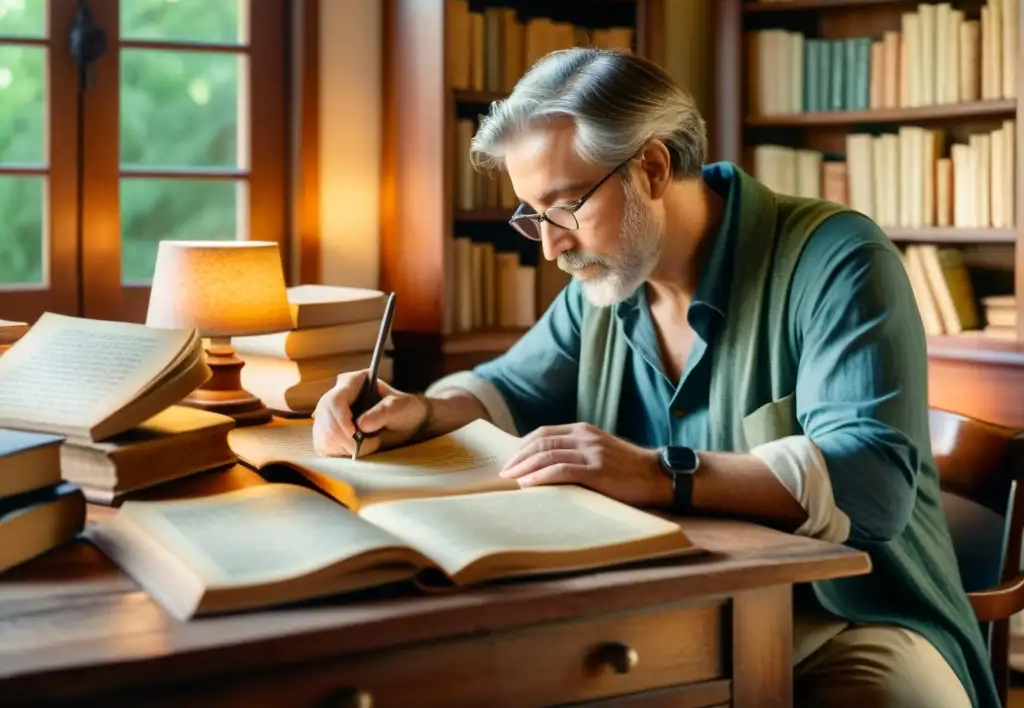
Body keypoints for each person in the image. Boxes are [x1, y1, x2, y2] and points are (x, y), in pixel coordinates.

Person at [312, 47, 998, 708]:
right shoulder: (606, 284)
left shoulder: (837, 259)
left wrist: (657, 472)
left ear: (653, 167)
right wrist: (419, 413)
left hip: (856, 613)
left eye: (567, 206)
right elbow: (510, 390)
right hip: (679, 598)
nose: (550, 244)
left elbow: (872, 485)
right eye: (534, 214)